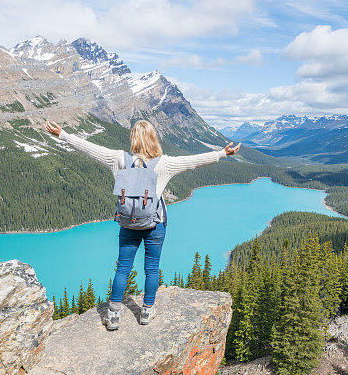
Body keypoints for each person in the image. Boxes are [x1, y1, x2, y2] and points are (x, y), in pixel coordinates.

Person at [43, 118, 241, 329]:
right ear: (153, 139)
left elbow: (90, 148)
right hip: (155, 224)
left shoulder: (118, 159)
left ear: (133, 139)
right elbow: (193, 161)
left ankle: (113, 315)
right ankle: (146, 312)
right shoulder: (164, 163)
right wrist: (222, 153)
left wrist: (63, 135)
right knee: (152, 268)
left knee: (123, 269)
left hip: (128, 223)